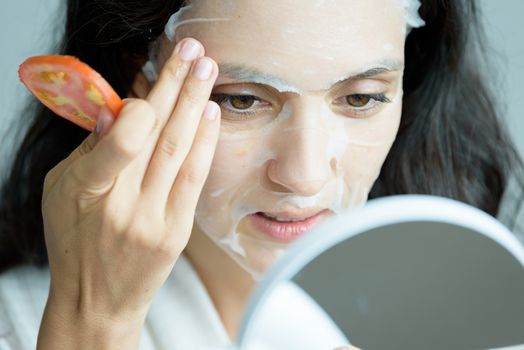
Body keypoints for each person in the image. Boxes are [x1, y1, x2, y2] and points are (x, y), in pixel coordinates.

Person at [0, 0, 523, 349]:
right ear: (138, 77)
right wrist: (95, 322)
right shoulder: (20, 326)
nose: (304, 175)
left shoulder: (475, 323)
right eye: (243, 100)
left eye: (362, 97)